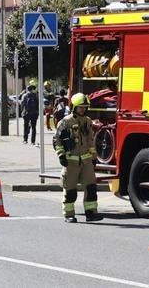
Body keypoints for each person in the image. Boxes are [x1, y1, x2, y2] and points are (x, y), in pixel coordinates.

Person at [53, 93, 101, 223]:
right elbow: (57, 140)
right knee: (70, 190)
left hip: (86, 162)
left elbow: (91, 141)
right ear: (74, 107)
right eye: (80, 107)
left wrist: (94, 157)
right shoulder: (65, 122)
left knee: (91, 188)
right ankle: (69, 214)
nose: (83, 109)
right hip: (71, 162)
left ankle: (91, 213)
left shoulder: (87, 121)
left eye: (85, 107)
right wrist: (61, 155)